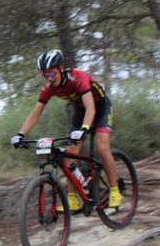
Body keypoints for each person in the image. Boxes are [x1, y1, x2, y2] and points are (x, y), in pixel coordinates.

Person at [10, 49, 123, 211]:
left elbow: (91, 108)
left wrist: (84, 129)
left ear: (61, 69)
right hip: (81, 111)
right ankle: (73, 199)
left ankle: (114, 190)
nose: (50, 78)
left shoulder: (78, 77)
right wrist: (20, 134)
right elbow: (36, 114)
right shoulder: (49, 87)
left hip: (100, 108)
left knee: (102, 147)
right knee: (70, 156)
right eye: (45, 75)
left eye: (52, 73)